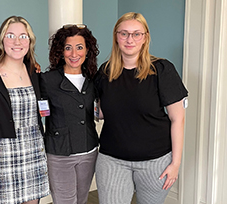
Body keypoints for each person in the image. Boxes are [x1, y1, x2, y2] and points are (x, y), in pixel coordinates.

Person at [94, 12, 188, 204]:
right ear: (116, 37)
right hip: (112, 161)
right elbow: (102, 112)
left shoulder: (161, 70)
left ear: (145, 38)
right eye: (124, 33)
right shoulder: (105, 72)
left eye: (137, 34)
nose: (130, 39)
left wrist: (176, 164)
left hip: (155, 163)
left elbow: (178, 118)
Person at [0, 16, 49, 204]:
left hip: (33, 150)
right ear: (1, 40)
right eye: (10, 35)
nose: (17, 42)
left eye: (23, 36)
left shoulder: (35, 73)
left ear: (30, 41)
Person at [40, 24, 99, 204]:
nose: (74, 54)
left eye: (79, 47)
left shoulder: (93, 80)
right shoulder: (46, 80)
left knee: (81, 200)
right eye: (68, 48)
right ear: (60, 51)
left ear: (87, 50)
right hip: (59, 154)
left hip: (89, 151)